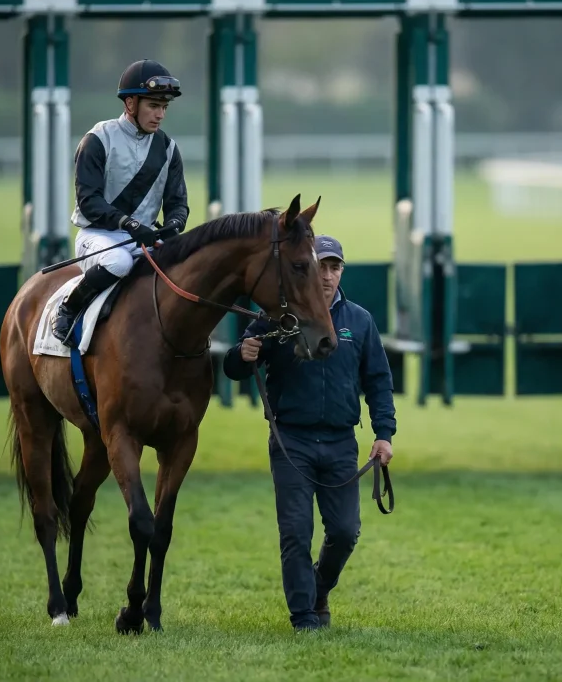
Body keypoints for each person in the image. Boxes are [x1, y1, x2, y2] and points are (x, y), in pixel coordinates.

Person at [222, 235, 397, 632]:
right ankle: (304, 618)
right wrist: (242, 354)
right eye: (321, 266)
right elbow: (236, 365)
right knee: (296, 534)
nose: (328, 275)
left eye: (335, 267)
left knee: (345, 531)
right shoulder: (276, 317)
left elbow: (379, 382)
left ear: (341, 273)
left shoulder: (360, 321)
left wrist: (384, 434)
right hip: (292, 443)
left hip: (340, 444)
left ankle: (318, 591)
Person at [50, 59, 191, 345]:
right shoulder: (97, 139)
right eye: (153, 105)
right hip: (99, 236)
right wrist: (128, 222)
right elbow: (89, 201)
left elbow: (177, 202)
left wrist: (175, 223)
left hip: (144, 239)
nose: (160, 114)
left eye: (164, 107)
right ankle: (68, 308)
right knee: (118, 262)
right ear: (130, 104)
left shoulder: (168, 149)